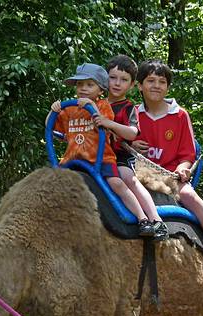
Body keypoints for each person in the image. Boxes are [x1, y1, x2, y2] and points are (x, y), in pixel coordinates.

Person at [132, 59, 203, 285]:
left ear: (168, 87)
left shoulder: (180, 115)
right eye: (150, 80)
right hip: (138, 176)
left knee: (190, 196)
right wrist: (132, 146)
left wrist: (182, 170)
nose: (156, 86)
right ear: (139, 85)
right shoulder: (132, 114)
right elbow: (119, 143)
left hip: (169, 177)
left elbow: (187, 154)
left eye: (162, 82)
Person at [49, 63, 157, 238]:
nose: (83, 88)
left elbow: (109, 121)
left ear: (100, 89)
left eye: (89, 85)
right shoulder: (69, 110)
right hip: (73, 159)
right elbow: (52, 129)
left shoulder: (105, 106)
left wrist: (92, 105)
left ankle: (145, 218)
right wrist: (53, 111)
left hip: (100, 158)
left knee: (118, 182)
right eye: (80, 85)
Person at [96, 54, 167, 241]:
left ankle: (154, 219)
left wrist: (108, 124)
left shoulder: (128, 108)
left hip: (118, 155)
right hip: (94, 154)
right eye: (112, 78)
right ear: (105, 78)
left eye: (124, 79)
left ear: (133, 84)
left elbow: (132, 133)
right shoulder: (95, 104)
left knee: (127, 177)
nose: (117, 83)